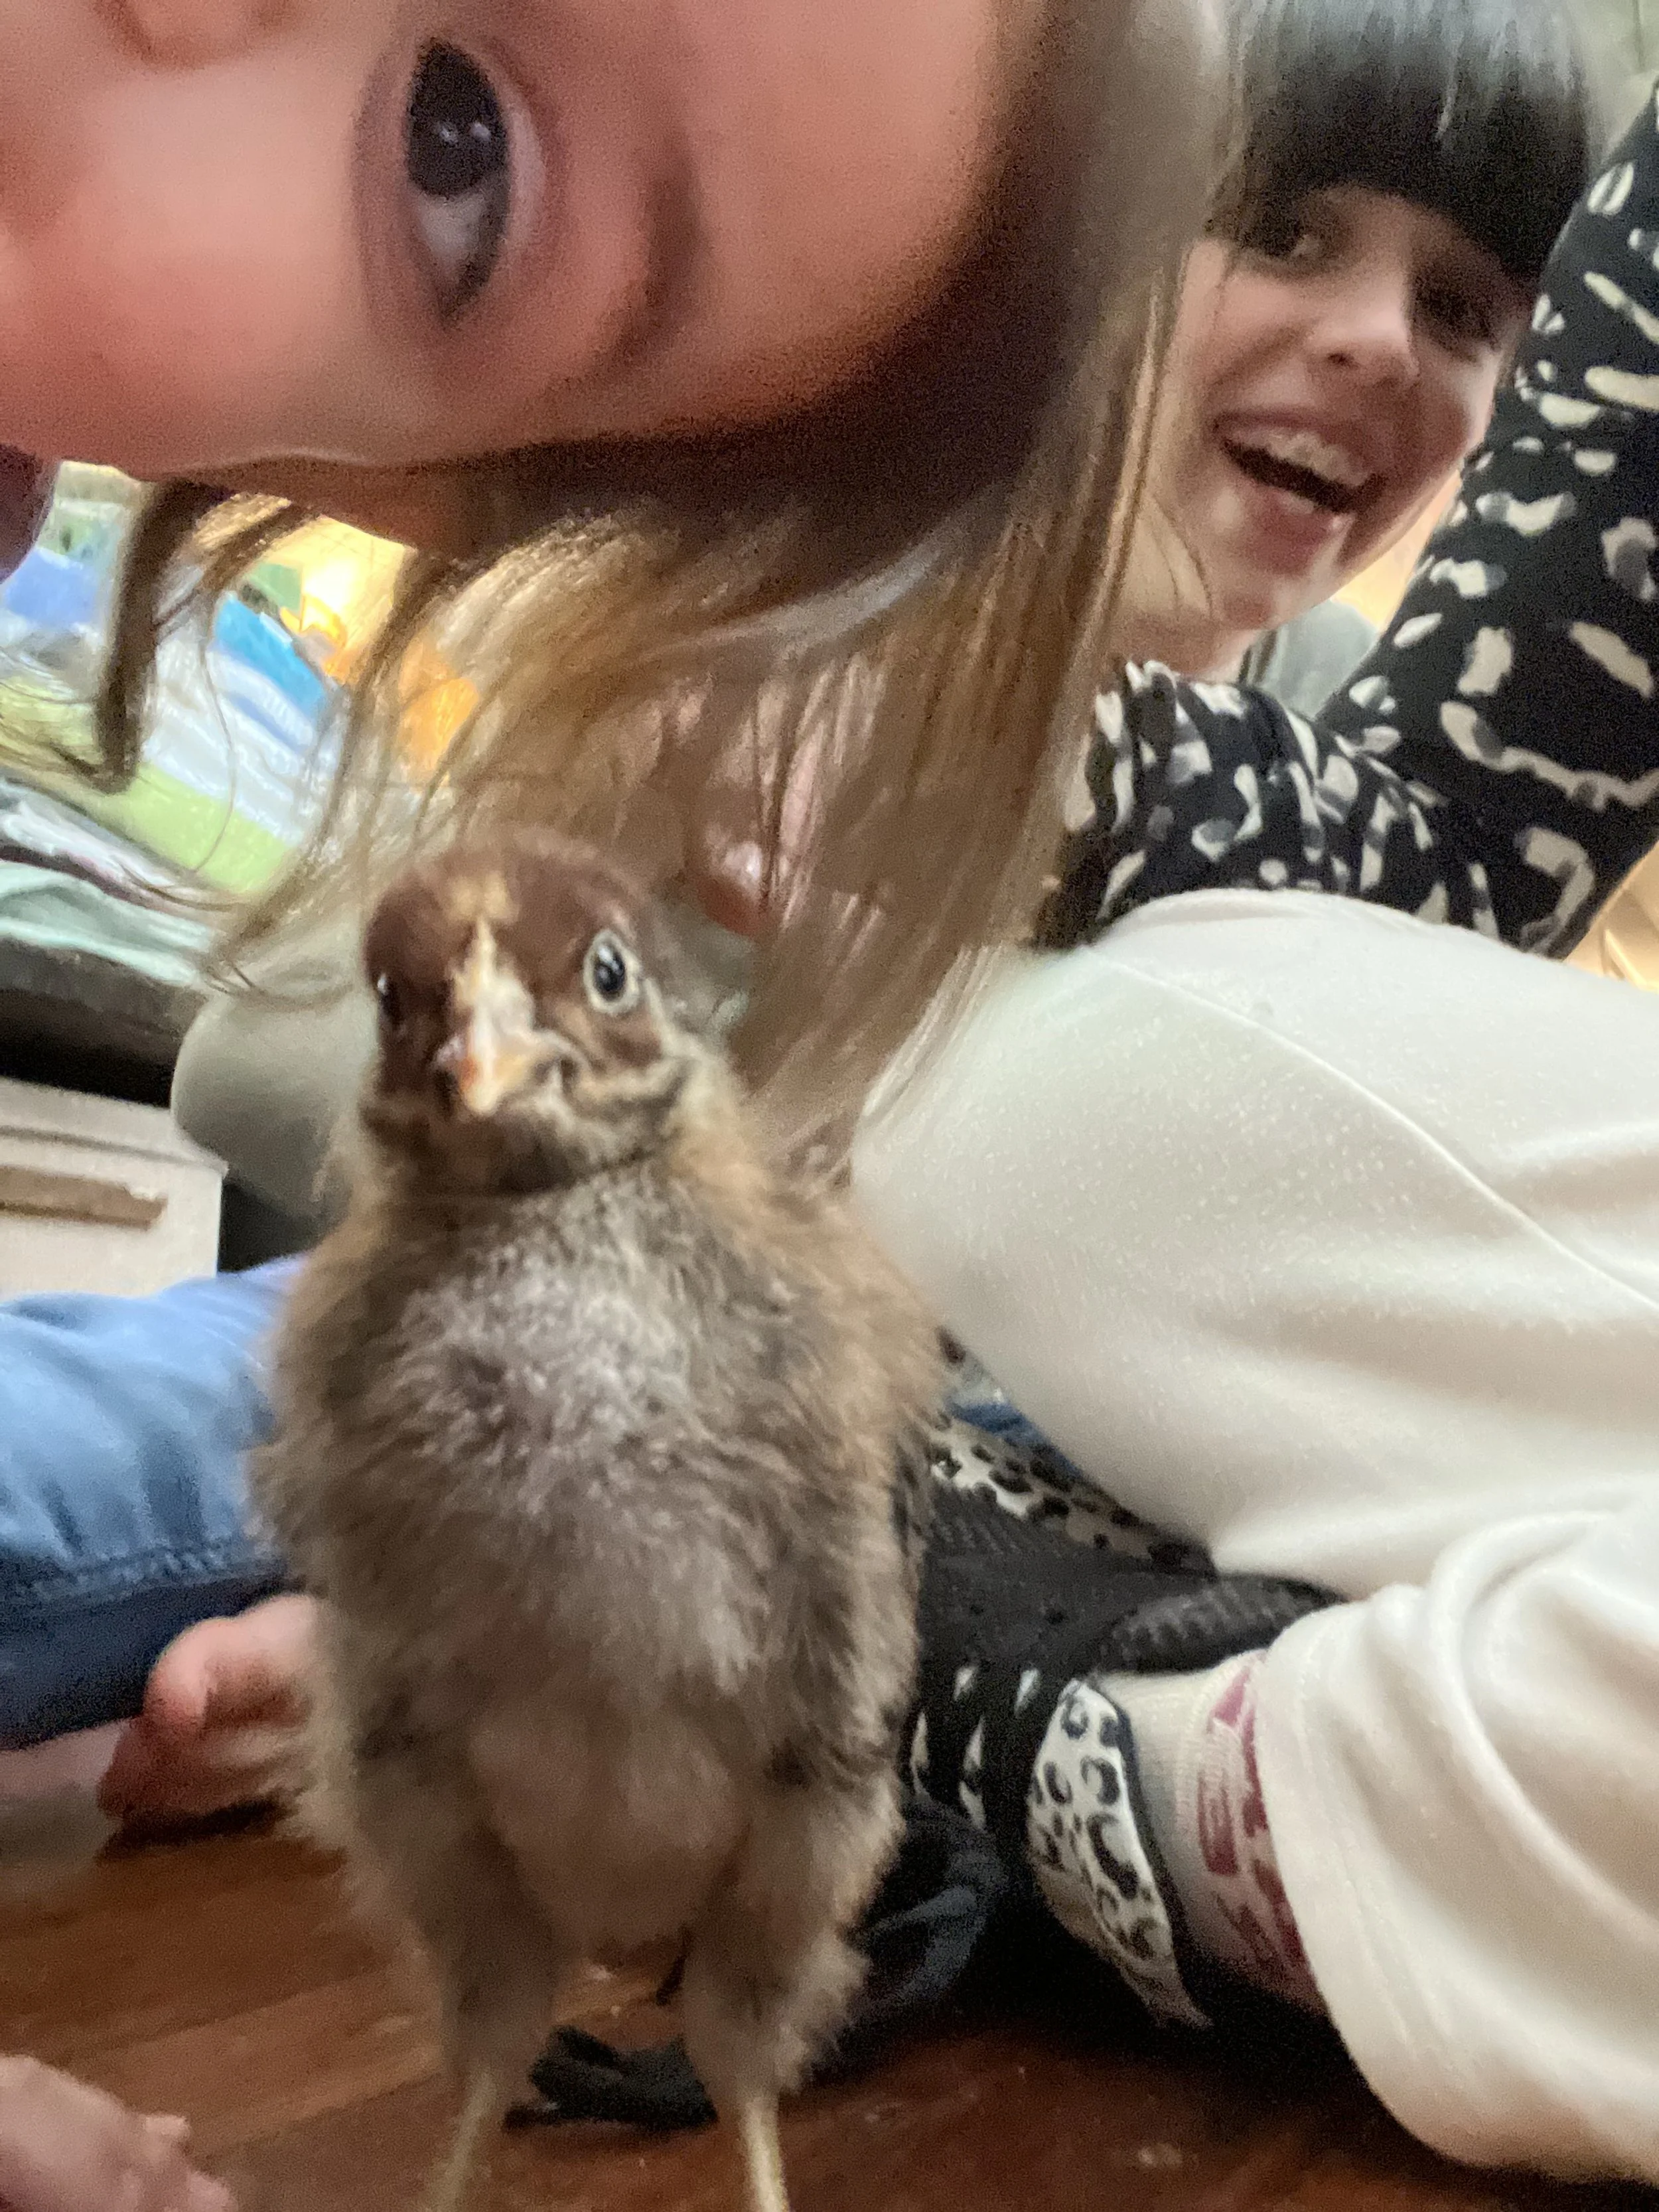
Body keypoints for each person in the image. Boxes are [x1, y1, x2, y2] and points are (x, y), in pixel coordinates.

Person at [0, 0, 1627, 2193]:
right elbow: (269, 1043)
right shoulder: (803, 626)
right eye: (1283, 235)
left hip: (1013, 1525)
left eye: (1463, 308)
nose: (1370, 343)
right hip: (557, 1355)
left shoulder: (1369, 823)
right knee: (131, 1440)